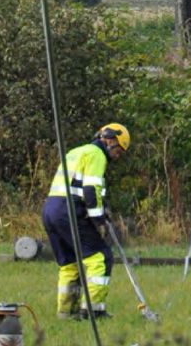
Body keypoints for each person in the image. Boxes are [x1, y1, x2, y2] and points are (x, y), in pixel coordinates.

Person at [41, 123, 129, 320]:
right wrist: (99, 220)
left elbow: (78, 186)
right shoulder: (96, 154)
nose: (118, 156)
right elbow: (90, 189)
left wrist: (100, 207)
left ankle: (66, 312)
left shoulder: (76, 152)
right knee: (100, 257)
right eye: (119, 150)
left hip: (50, 210)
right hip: (69, 212)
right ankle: (94, 311)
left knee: (70, 263)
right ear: (110, 139)